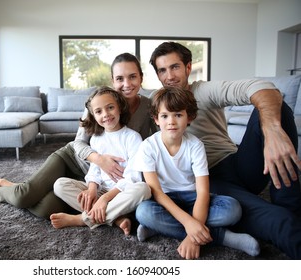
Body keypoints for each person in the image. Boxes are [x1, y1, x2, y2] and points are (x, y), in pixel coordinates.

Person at [145, 41, 301, 259]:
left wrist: (273, 130)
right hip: (209, 180)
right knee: (281, 222)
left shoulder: (205, 91)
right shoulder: (157, 102)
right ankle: (284, 217)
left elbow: (263, 89)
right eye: (162, 70)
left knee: (277, 107)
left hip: (239, 163)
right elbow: (117, 108)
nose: (169, 75)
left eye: (175, 67)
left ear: (188, 67)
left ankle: (290, 204)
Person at [0, 53, 156, 219]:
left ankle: (27, 188)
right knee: (24, 196)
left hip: (93, 178)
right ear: (113, 80)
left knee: (44, 210)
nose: (126, 84)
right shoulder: (99, 103)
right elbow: (78, 143)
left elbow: (157, 142)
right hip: (72, 159)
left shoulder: (148, 107)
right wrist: (99, 160)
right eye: (120, 78)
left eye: (132, 77)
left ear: (141, 77)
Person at [133, 87, 260, 259]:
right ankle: (222, 237)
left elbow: (202, 192)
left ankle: (159, 228)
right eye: (165, 116)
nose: (171, 121)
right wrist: (188, 223)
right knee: (143, 212)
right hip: (165, 200)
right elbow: (156, 192)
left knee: (233, 209)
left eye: (178, 115)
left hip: (192, 198)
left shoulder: (195, 145)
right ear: (156, 119)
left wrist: (193, 235)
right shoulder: (148, 147)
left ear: (189, 118)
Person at [51, 86, 151, 235]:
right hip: (100, 189)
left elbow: (133, 177)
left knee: (143, 189)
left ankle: (83, 219)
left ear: (119, 108)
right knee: (60, 185)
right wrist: (91, 189)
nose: (106, 114)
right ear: (93, 115)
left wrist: (105, 199)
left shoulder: (133, 137)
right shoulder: (96, 139)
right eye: (99, 111)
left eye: (110, 107)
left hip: (121, 193)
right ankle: (116, 218)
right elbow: (95, 169)